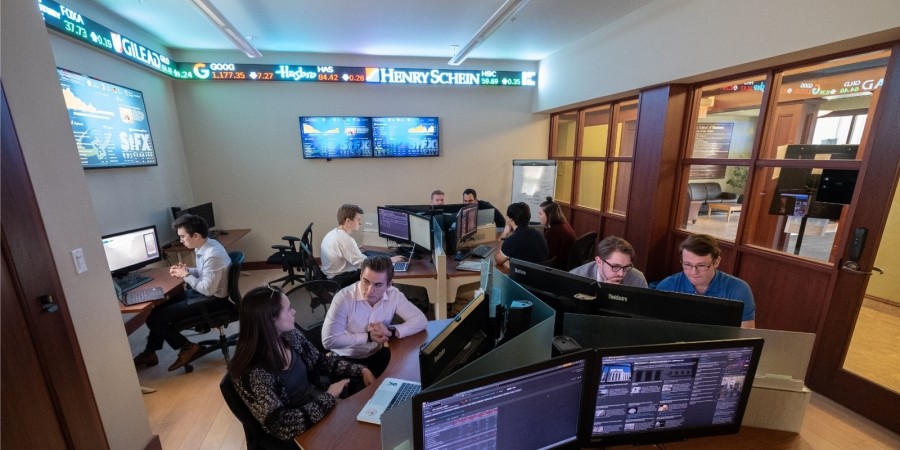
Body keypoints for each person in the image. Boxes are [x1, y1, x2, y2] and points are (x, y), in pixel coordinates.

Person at [227, 285, 375, 442]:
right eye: (289, 309)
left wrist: (361, 370)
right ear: (271, 320)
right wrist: (330, 396)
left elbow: (321, 362)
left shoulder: (289, 335)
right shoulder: (252, 373)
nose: (294, 312)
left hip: (318, 403)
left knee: (366, 425)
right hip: (297, 432)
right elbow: (283, 425)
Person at [133, 214, 231, 371]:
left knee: (154, 320)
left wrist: (186, 276)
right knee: (157, 310)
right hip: (205, 294)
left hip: (211, 300)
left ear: (196, 235)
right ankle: (150, 353)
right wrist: (186, 270)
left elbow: (208, 289)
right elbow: (204, 272)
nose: (181, 240)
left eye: (182, 236)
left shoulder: (213, 255)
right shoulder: (207, 245)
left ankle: (187, 347)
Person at [322, 256, 428, 377]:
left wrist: (391, 332)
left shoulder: (394, 294)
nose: (369, 291)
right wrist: (368, 337)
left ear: (389, 284)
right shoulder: (343, 299)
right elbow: (329, 341)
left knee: (408, 375)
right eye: (366, 282)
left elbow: (421, 320)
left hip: (376, 353)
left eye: (378, 285)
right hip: (346, 358)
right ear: (361, 276)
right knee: (363, 393)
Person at [656, 234, 756, 328]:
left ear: (716, 262)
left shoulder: (739, 289)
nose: (693, 272)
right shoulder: (666, 286)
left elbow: (746, 334)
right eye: (687, 264)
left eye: (701, 265)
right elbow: (656, 329)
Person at [320, 204, 404, 288]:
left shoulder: (333, 233)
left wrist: (356, 250)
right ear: (348, 221)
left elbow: (344, 253)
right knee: (380, 272)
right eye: (358, 220)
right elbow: (364, 263)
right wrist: (389, 260)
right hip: (340, 279)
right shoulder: (346, 240)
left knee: (373, 259)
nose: (360, 223)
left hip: (330, 275)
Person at [570, 236, 648, 287]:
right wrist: (603, 293)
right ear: (599, 262)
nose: (621, 273)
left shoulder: (638, 280)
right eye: (616, 266)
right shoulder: (576, 278)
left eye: (626, 267)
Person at [539, 197, 576, 269]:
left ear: (549, 215)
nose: (538, 216)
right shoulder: (564, 224)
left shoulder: (553, 231)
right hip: (568, 263)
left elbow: (547, 257)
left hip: (559, 268)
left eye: (540, 214)